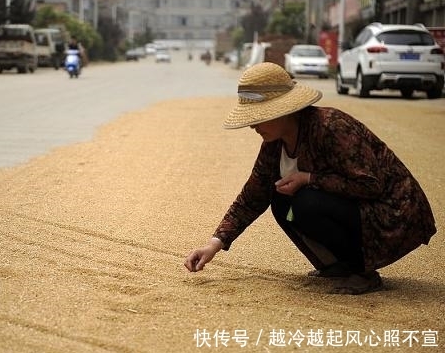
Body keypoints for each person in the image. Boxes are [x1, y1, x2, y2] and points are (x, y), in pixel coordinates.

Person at [184, 62, 436, 295]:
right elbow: (253, 195)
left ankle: (362, 272)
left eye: (258, 117)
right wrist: (214, 244)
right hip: (353, 208)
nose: (253, 126)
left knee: (305, 203)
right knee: (282, 203)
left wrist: (309, 178)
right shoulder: (274, 143)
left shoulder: (331, 126)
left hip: (393, 213)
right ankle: (336, 265)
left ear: (283, 111)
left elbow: (371, 184)